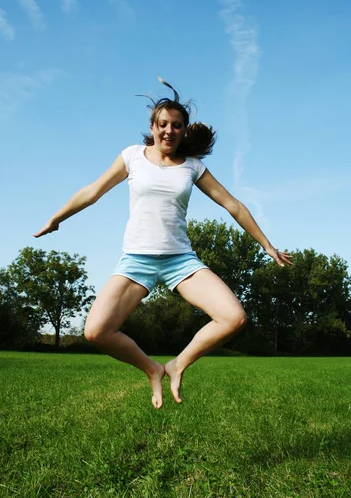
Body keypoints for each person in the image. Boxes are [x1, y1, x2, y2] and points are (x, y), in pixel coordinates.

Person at [34, 78, 292, 409]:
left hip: (180, 261)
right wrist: (57, 218)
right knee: (96, 332)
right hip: (136, 260)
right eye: (163, 124)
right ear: (153, 126)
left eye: (176, 126)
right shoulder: (132, 157)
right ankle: (153, 369)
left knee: (233, 317)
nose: (169, 131)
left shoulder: (193, 167)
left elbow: (234, 206)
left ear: (184, 130)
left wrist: (266, 245)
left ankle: (177, 365)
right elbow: (92, 190)